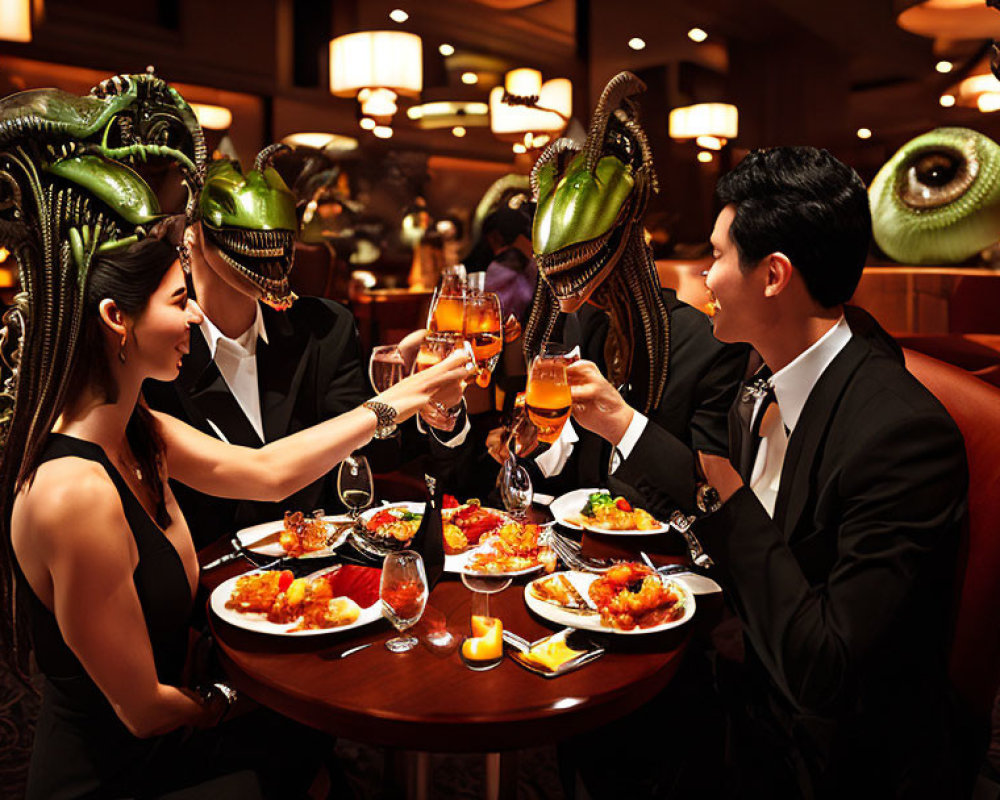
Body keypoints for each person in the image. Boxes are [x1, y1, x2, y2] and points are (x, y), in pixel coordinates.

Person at [3, 230, 471, 798]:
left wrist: (404, 398)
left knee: (311, 749)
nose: (197, 316)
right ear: (115, 318)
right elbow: (143, 711)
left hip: (169, 739)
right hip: (118, 772)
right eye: (179, 301)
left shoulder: (137, 429)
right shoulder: (73, 493)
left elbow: (269, 474)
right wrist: (245, 697)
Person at [623, 147, 968, 797]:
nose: (703, 274)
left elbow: (828, 673)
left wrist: (724, 499)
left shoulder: (900, 436)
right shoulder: (759, 384)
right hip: (746, 692)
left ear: (774, 276)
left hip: (841, 758)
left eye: (718, 255)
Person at [144, 159, 403, 549]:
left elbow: (369, 455)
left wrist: (411, 400)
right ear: (191, 236)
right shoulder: (160, 349)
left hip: (324, 567)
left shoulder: (325, 326)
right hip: (211, 578)